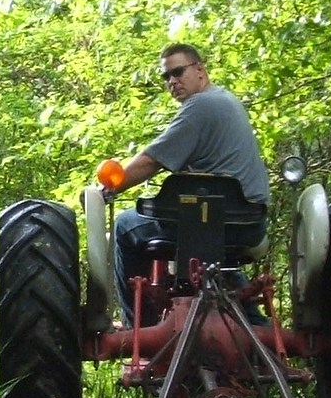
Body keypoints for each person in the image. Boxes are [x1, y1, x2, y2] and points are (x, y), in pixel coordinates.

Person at [102, 44, 269, 322]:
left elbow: (150, 161)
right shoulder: (225, 101)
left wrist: (109, 188)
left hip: (217, 225)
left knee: (124, 226)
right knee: (213, 245)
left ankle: (138, 330)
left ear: (200, 70)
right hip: (248, 225)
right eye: (166, 77)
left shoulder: (201, 105)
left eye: (178, 72)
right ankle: (254, 326)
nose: (172, 82)